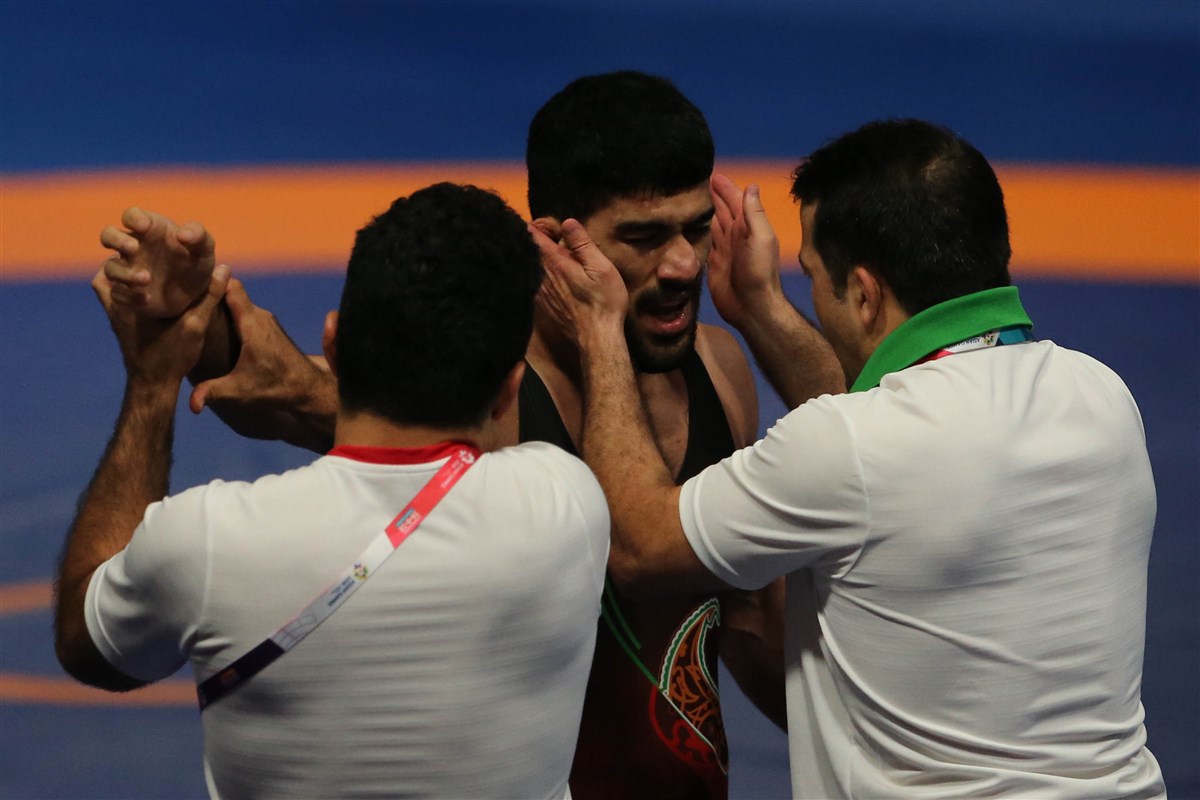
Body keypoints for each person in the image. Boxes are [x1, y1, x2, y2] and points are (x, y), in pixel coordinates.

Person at [102, 71, 841, 800]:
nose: (681, 265)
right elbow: (296, 392)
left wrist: (865, 755)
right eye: (643, 237)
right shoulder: (489, 396)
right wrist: (191, 323)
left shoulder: (720, 369)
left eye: (696, 228)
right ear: (555, 242)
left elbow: (747, 612)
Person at [534, 119, 1166, 798]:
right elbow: (883, 455)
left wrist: (600, 329)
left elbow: (642, 546)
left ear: (864, 293)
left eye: (811, 277)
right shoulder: (1103, 396)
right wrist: (760, 306)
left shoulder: (852, 447)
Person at [55, 183, 611, 799]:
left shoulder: (207, 539)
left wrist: (153, 381)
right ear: (508, 388)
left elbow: (88, 644)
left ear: (332, 343)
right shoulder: (569, 500)